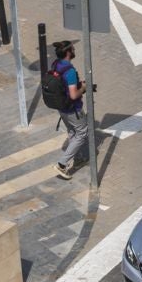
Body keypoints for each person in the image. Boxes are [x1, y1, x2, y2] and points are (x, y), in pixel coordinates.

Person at [51, 39, 90, 178]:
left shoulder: (56, 64)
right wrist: (83, 88)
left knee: (73, 132)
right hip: (73, 109)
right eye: (73, 49)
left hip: (61, 106)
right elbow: (73, 95)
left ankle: (78, 159)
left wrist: (77, 84)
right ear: (68, 52)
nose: (74, 50)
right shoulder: (70, 71)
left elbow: (64, 85)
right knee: (82, 133)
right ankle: (62, 164)